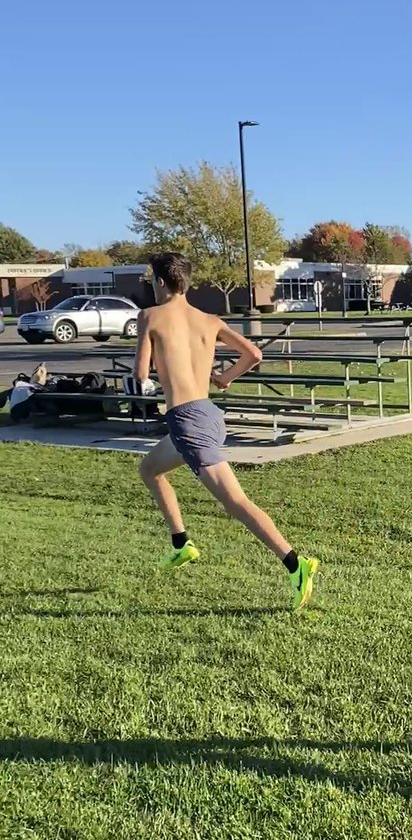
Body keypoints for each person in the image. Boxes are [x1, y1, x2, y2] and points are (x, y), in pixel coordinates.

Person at [135, 252, 318, 611]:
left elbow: (140, 375)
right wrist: (223, 378)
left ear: (160, 282)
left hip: (188, 422)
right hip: (208, 414)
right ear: (184, 282)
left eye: (151, 281)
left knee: (235, 501)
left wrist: (161, 375)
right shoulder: (210, 320)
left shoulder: (149, 316)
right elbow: (253, 354)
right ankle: (180, 543)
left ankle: (296, 564)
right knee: (149, 469)